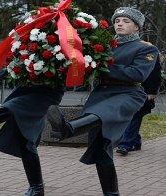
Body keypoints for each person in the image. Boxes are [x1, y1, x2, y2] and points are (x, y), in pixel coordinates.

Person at [46, 7, 159, 196]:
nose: (120, 24)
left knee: (103, 113)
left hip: (128, 93)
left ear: (137, 27)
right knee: (100, 149)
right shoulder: (107, 46)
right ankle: (111, 193)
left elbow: (137, 73)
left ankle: (69, 129)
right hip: (102, 92)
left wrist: (98, 66)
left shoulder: (146, 48)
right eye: (117, 21)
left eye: (126, 21)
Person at [116, 55, 161, 155]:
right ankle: (135, 141)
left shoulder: (148, 49)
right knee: (128, 115)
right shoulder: (124, 47)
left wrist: (152, 91)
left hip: (142, 89)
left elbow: (155, 71)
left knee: (135, 115)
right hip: (125, 88)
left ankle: (125, 144)